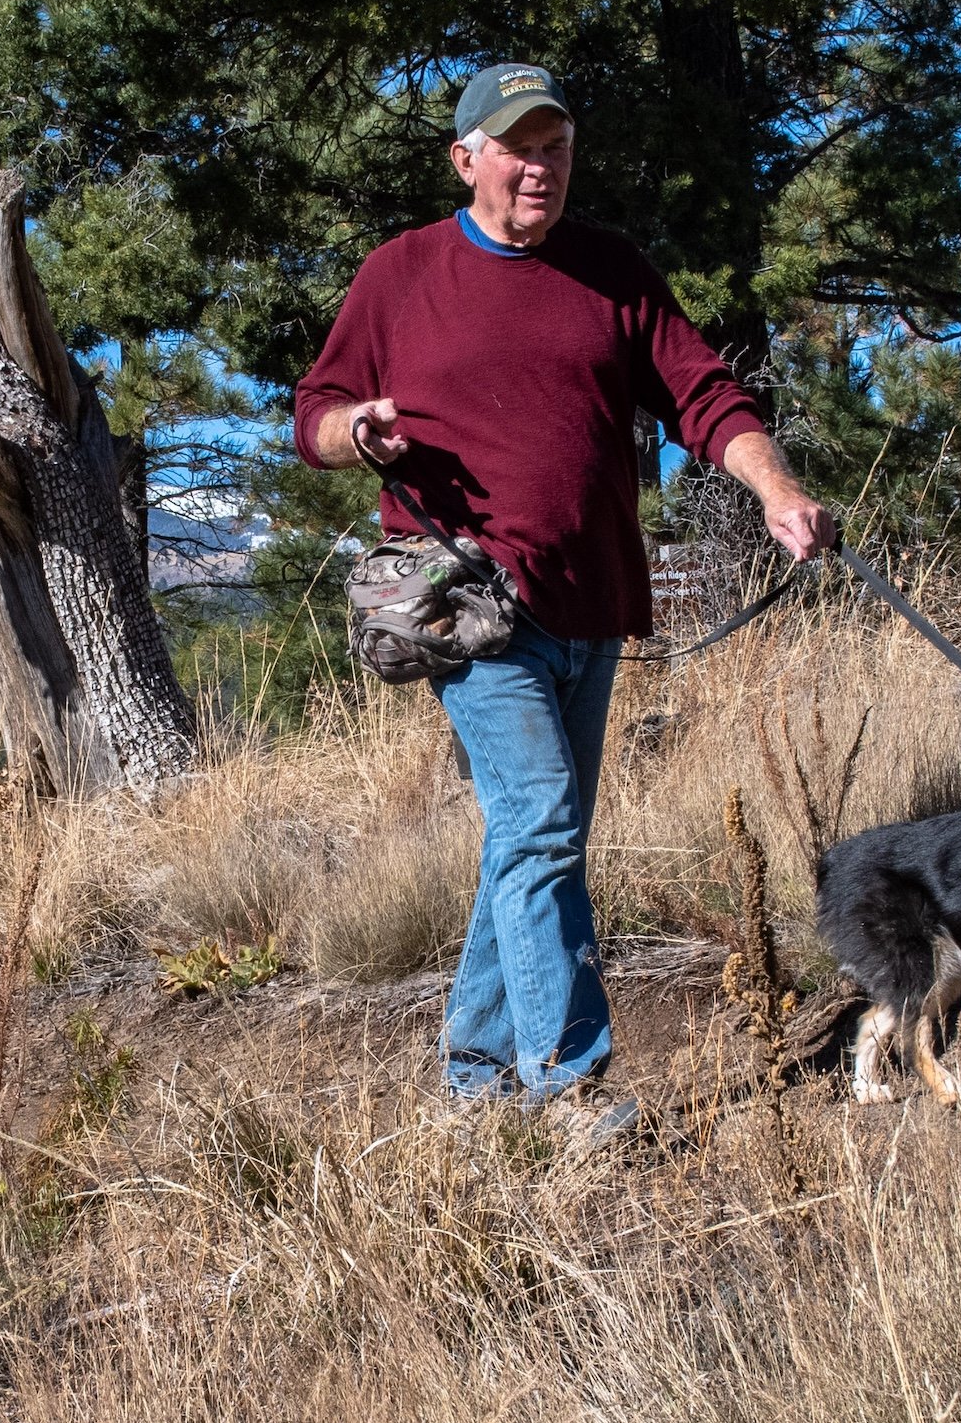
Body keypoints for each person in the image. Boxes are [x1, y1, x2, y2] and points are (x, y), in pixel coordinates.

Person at [293, 60, 837, 1107]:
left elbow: (703, 395)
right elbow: (314, 410)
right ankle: (569, 1084)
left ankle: (476, 1074)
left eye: (555, 147)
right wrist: (354, 431)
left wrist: (777, 490)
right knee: (542, 822)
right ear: (466, 160)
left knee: (531, 839)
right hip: (469, 604)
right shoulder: (399, 275)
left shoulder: (612, 272)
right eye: (517, 147)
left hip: (592, 607)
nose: (540, 167)